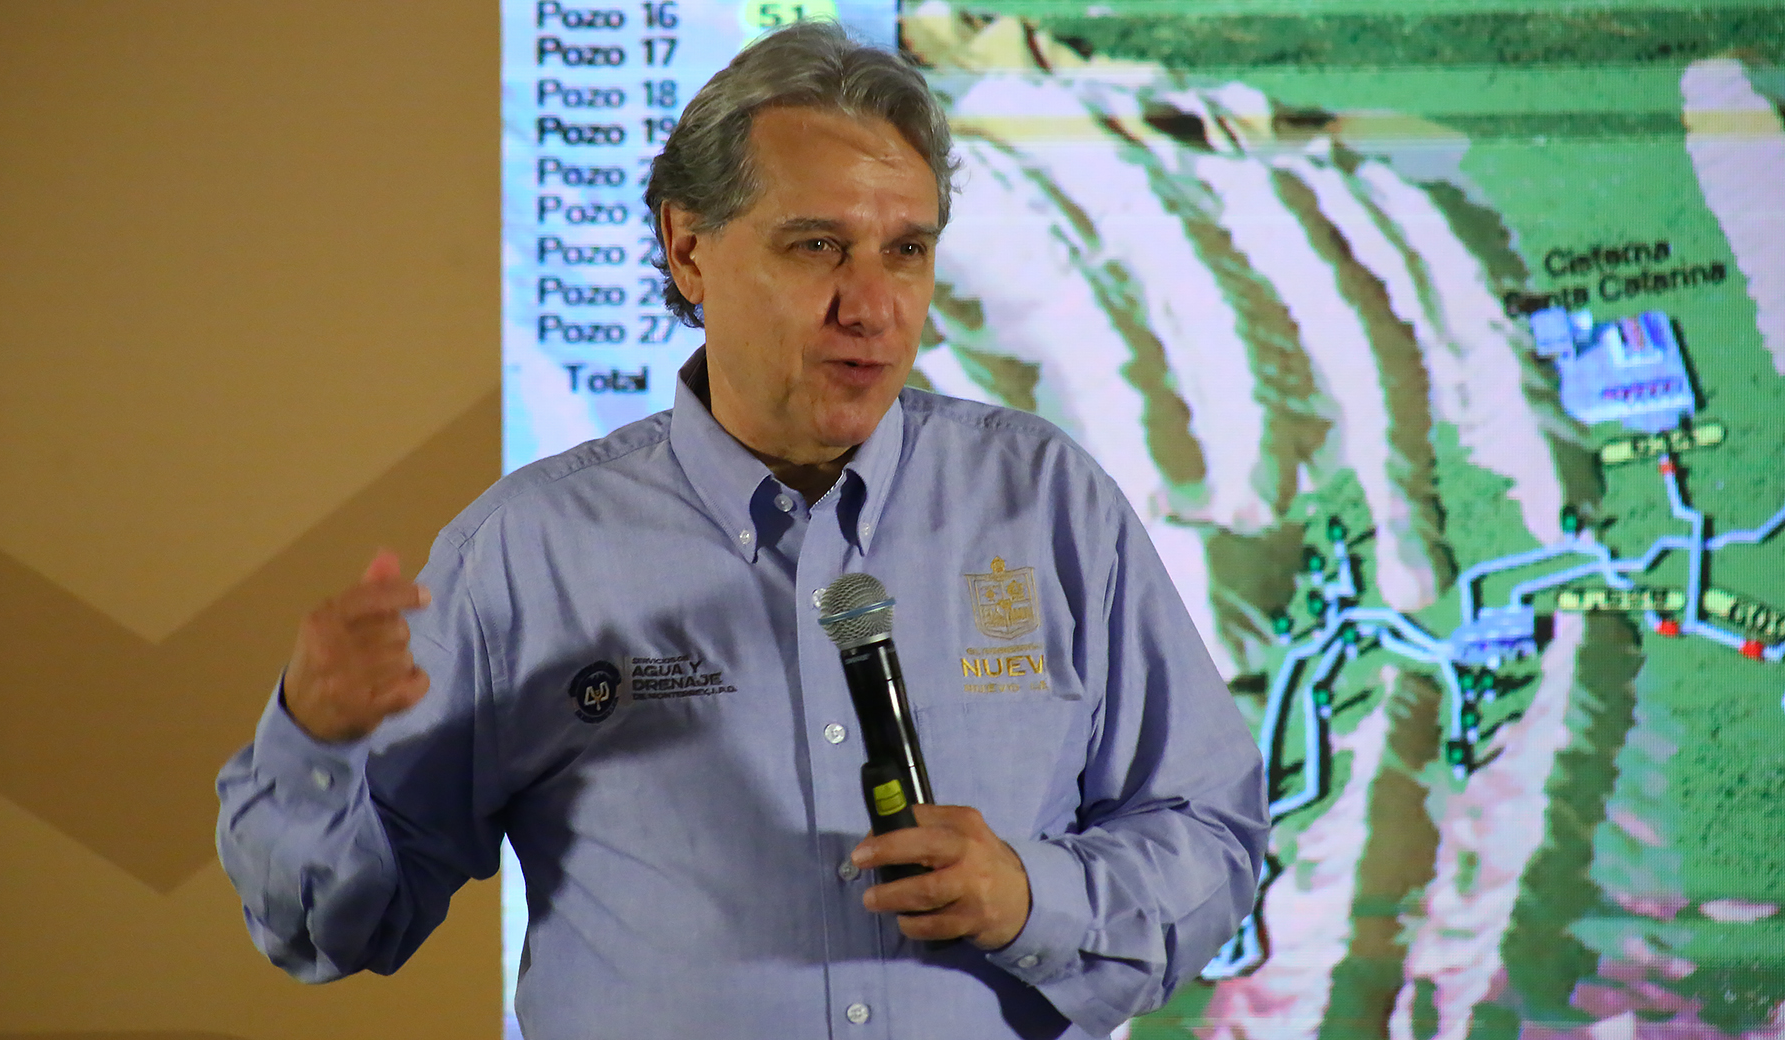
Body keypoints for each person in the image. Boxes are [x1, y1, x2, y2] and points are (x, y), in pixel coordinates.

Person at [216, 21, 1268, 1040]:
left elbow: (1210, 836)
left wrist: (1032, 895)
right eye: (819, 247)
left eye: (906, 250)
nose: (872, 306)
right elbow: (331, 927)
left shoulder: (1046, 502)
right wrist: (314, 744)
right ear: (688, 249)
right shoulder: (530, 552)